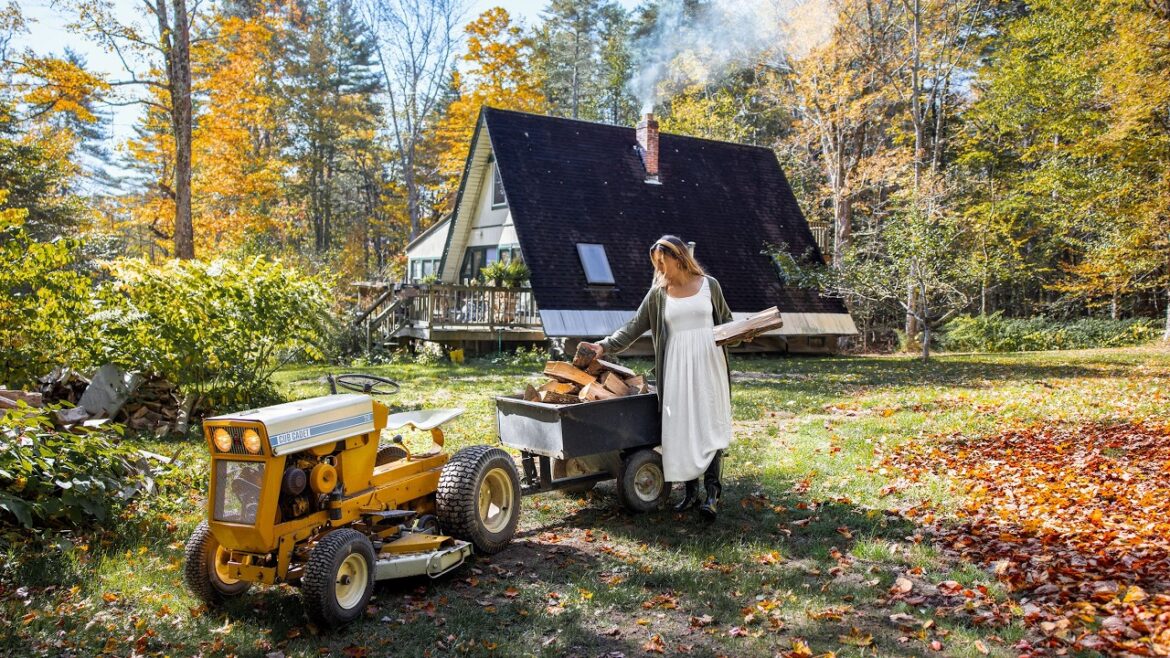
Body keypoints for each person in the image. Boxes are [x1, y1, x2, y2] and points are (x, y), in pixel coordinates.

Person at [580, 235, 734, 520]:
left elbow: (727, 323)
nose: (660, 268)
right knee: (682, 427)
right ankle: (690, 494)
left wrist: (738, 334)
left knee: (708, 424)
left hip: (709, 366)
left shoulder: (709, 286)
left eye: (664, 262)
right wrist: (604, 345)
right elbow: (633, 327)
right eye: (656, 264)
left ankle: (712, 495)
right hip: (675, 368)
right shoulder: (658, 294)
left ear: (679, 257)